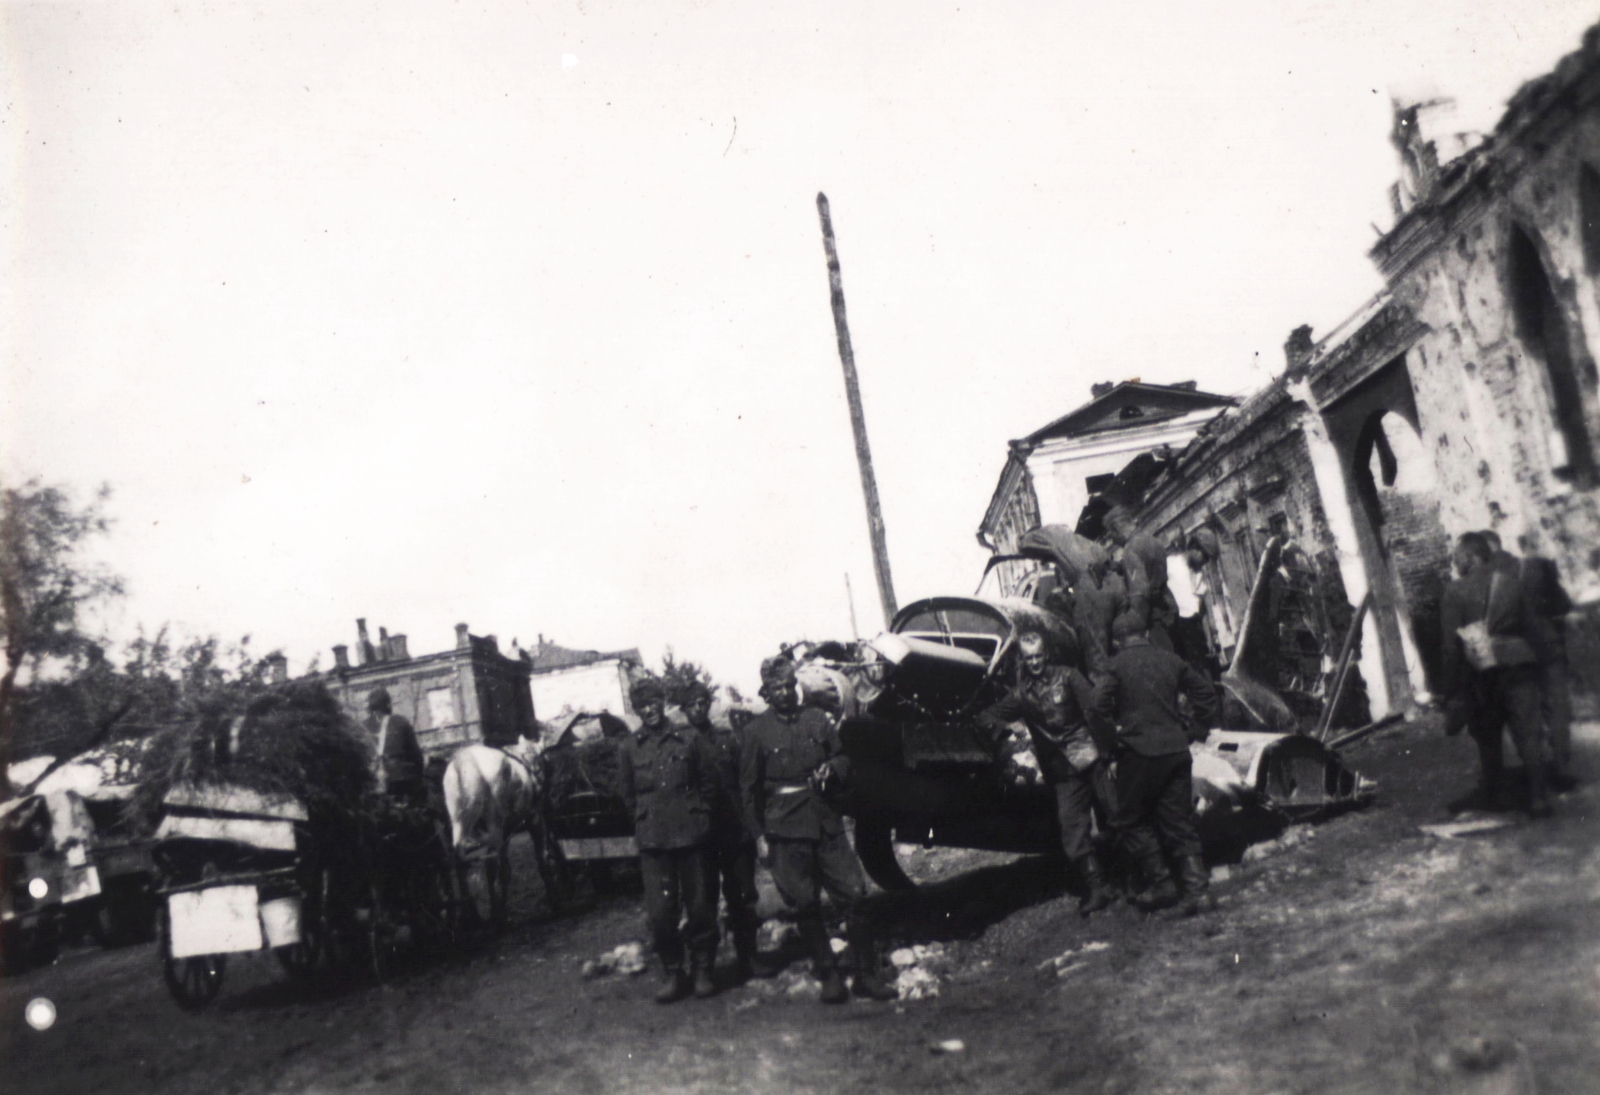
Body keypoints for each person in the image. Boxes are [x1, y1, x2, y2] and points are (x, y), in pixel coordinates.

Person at [740, 657, 897, 1004]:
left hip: (825, 821)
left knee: (855, 895)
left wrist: (832, 768)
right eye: (776, 688)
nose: (784, 693)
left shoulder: (816, 719)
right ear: (766, 693)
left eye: (788, 686)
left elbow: (843, 757)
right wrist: (760, 838)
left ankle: (866, 974)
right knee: (804, 905)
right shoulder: (755, 733)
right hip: (785, 830)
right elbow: (748, 791)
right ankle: (828, 973)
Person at [976, 628, 1117, 915]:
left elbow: (1095, 712)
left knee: (1119, 814)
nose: (1035, 663)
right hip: (1063, 770)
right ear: (1023, 660)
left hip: (1092, 758)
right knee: (1072, 833)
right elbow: (985, 717)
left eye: (1039, 656)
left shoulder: (1069, 677)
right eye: (1029, 658)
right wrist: (1007, 730)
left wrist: (1110, 754)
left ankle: (1139, 875)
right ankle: (1098, 888)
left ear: (1047, 655)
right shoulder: (1021, 695)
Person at [1092, 615, 1219, 915]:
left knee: (1131, 820)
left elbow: (1096, 707)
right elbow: (1206, 694)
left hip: (1138, 752)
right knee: (1178, 820)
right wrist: (1196, 731)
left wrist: (1110, 747)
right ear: (1146, 633)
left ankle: (1162, 883)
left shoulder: (1115, 666)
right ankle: (1198, 892)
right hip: (1176, 750)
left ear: (1116, 641)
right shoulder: (1171, 659)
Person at [618, 677, 721, 1002]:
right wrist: (645, 820)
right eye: (641, 706)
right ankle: (674, 973)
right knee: (661, 914)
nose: (649, 710)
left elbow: (708, 782)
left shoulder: (688, 739)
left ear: (662, 704)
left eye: (653, 703)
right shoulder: (629, 747)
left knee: (702, 907)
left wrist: (700, 816)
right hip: (654, 843)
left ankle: (703, 969)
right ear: (635, 710)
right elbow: (627, 795)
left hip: (691, 836)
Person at [1440, 533, 1552, 817]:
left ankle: (1498, 797)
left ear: (1472, 557)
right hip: (1518, 665)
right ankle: (1538, 797)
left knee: (1488, 735)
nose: (1456, 563)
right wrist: (1542, 668)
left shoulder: (1455, 592)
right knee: (1528, 732)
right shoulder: (1512, 585)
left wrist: (1452, 688)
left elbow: (1450, 646)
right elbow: (1532, 630)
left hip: (1481, 673)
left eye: (1459, 557)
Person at [681, 680, 766, 981]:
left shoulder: (728, 738)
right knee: (702, 903)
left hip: (733, 831)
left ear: (708, 704)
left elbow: (745, 782)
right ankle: (704, 968)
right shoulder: (679, 743)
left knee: (742, 896)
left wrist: (751, 826)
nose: (698, 709)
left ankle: (749, 957)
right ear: (683, 709)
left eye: (702, 703)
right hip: (700, 838)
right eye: (691, 705)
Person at [1481, 530, 1578, 792]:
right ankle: (1562, 767)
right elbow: (1563, 605)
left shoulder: (1484, 578)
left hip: (1515, 658)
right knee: (1557, 709)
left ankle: (1536, 783)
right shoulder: (1537, 566)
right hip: (1547, 650)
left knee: (1526, 717)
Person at [363, 687, 425, 803]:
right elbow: (416, 756)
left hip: (373, 783)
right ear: (388, 705)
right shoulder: (400, 722)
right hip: (400, 781)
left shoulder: (362, 727)